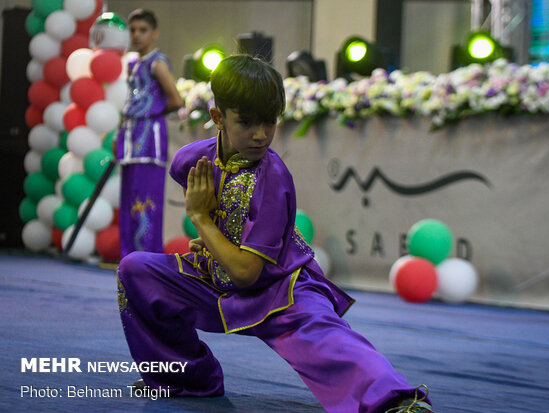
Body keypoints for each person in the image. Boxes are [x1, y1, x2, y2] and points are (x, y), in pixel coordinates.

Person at [117, 55, 433, 413]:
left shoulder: (274, 178)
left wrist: (200, 220)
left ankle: (398, 402)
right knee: (136, 271)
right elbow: (213, 208)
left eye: (270, 122)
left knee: (330, 340)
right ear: (218, 117)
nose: (260, 134)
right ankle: (187, 379)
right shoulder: (191, 161)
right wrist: (214, 233)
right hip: (214, 279)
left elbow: (247, 273)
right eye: (247, 122)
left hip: (280, 286)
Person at [115, 9, 184, 258]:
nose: (136, 35)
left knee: (145, 204)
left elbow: (176, 100)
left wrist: (149, 113)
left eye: (142, 30)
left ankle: (148, 262)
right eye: (132, 30)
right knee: (128, 203)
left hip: (149, 144)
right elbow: (129, 103)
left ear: (154, 33)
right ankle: (129, 259)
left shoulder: (158, 63)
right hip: (130, 142)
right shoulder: (133, 64)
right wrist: (118, 134)